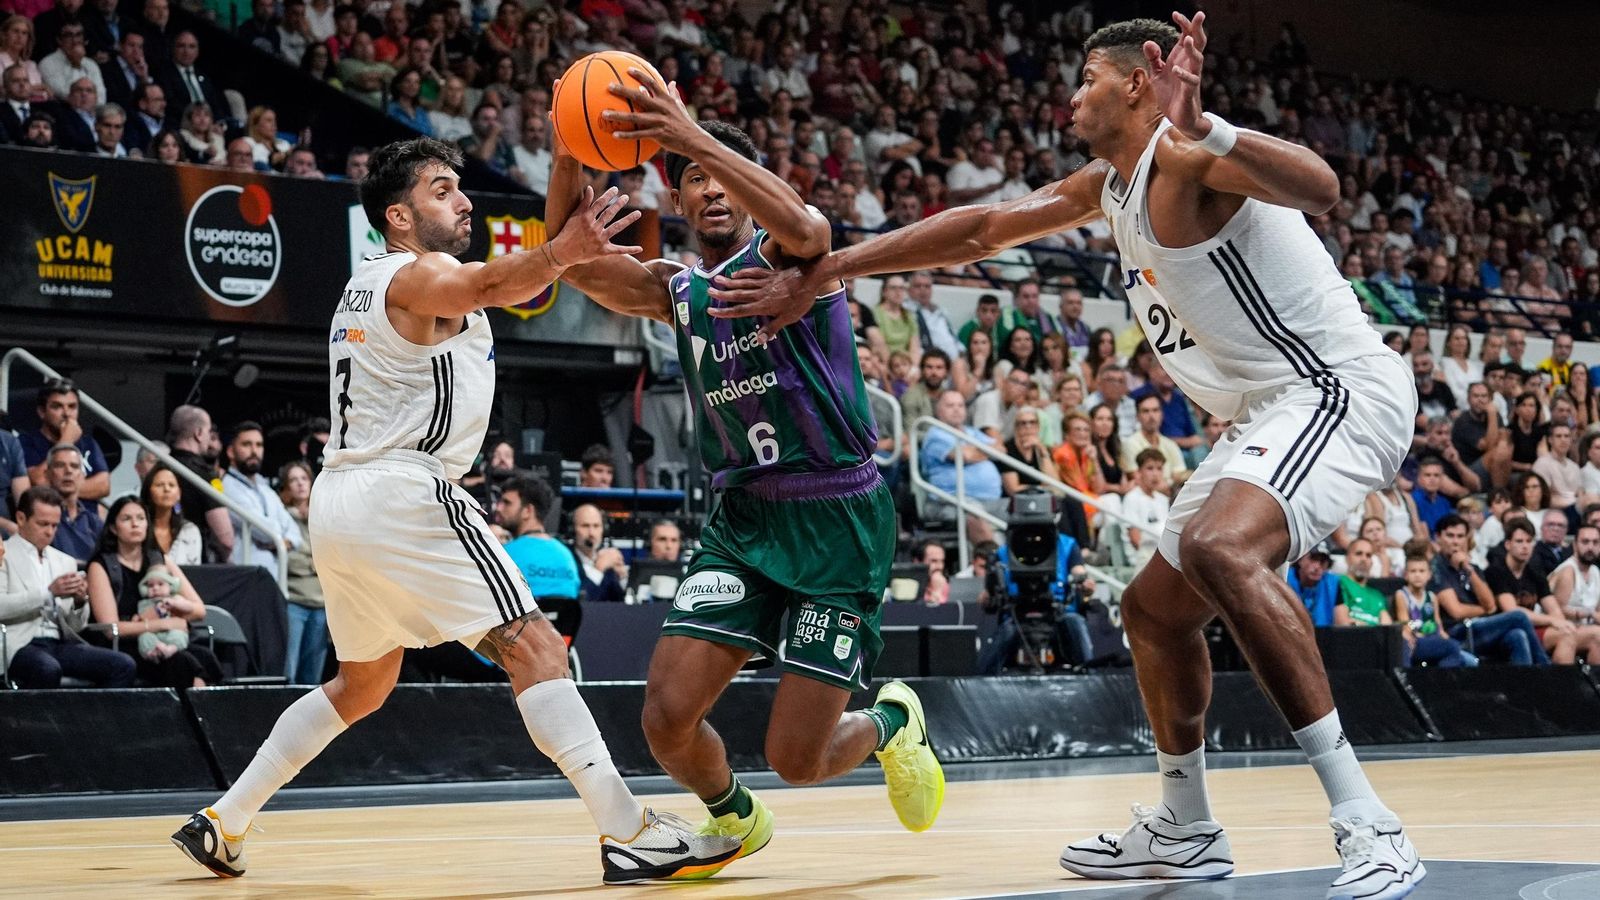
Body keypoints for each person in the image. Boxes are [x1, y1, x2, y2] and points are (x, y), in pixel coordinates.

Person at [707, 14, 1424, 894]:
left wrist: (1208, 125)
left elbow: (1320, 187)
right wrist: (827, 271)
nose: (1072, 94)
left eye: (1088, 77)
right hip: (1263, 413)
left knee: (1217, 546)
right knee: (1154, 612)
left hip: (1335, 387)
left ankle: (1367, 820)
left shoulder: (1188, 157)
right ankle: (1186, 826)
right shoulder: (1108, 183)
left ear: (1137, 81)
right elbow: (980, 229)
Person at [169, 138, 738, 884]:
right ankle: (628, 830)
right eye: (444, 190)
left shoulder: (366, 284)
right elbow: (488, 284)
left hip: (342, 500)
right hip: (405, 488)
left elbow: (494, 281)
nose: (464, 200)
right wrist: (557, 252)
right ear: (398, 217)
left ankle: (225, 820)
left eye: (460, 186)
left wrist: (564, 179)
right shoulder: (418, 274)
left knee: (362, 684)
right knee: (536, 646)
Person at [547, 74, 943, 865]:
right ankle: (733, 816)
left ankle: (895, 721)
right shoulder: (680, 290)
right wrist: (567, 146)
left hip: (838, 517)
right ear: (682, 204)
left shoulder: (795, 260)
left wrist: (691, 136)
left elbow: (808, 221)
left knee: (800, 758)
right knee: (665, 718)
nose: (710, 189)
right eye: (693, 181)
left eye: (723, 174)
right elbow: (576, 263)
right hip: (744, 520)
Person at [1, 486, 136, 689]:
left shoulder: (64, 561)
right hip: (17, 643)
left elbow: (75, 627)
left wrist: (80, 601)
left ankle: (95, 720)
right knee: (47, 668)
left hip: (58, 643)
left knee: (123, 664)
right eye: (43, 524)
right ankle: (43, 722)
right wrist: (48, 593)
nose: (49, 532)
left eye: (55, 526)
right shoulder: (4, 554)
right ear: (21, 518)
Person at [85, 495, 220, 688]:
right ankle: (190, 716)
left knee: (206, 657)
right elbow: (110, 629)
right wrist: (164, 623)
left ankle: (205, 714)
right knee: (179, 662)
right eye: (126, 519)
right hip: (127, 644)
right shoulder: (101, 565)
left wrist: (178, 611)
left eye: (141, 518)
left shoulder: (159, 560)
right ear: (113, 528)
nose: (135, 524)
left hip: (165, 636)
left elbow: (199, 610)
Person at [221, 421, 304, 583]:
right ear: (231, 451)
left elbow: (295, 534)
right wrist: (281, 538)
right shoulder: (227, 486)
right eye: (247, 444)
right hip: (245, 578)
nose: (254, 451)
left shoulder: (265, 488)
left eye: (259, 445)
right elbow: (266, 533)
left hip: (274, 578)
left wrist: (282, 539)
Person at [277, 461, 328, 685]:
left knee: (313, 676)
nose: (300, 484)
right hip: (294, 601)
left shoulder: (323, 515)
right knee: (290, 670)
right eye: (293, 480)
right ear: (286, 487)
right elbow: (288, 560)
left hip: (321, 603)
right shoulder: (282, 517)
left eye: (304, 478)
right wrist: (316, 562)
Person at [20, 379, 110, 501]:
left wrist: (58, 486)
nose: (67, 413)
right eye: (57, 406)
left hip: (85, 517)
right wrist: (66, 440)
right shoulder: (26, 442)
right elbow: (39, 482)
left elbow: (103, 486)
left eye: (72, 407)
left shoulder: (89, 443)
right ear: (42, 412)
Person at [165, 404, 234, 561]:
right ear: (199, 433)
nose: (209, 438)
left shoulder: (159, 467)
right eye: (209, 432)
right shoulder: (207, 474)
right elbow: (226, 539)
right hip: (196, 559)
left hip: (161, 556)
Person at [495, 475, 580, 599]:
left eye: (507, 503)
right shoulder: (566, 555)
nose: (498, 508)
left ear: (528, 511)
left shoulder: (504, 554)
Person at [1392, 554, 1476, 668]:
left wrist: (1447, 639)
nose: (1417, 575)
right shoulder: (1402, 595)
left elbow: (1438, 624)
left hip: (1434, 638)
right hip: (1417, 640)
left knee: (1471, 661)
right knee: (1452, 648)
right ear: (1406, 575)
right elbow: (1405, 622)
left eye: (1422, 571)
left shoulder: (1432, 597)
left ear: (1429, 575)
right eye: (1413, 571)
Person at [42, 443, 103, 563]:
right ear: (47, 474)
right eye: (60, 465)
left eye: (74, 466)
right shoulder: (39, 519)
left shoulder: (95, 523)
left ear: (82, 476)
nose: (68, 471)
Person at [141, 463, 202, 566]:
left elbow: (195, 570)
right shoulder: (140, 528)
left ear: (179, 494)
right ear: (148, 492)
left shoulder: (189, 531)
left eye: (172, 485)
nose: (166, 489)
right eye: (159, 485)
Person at [1120, 449, 1171, 569]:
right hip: (1142, 558)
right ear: (1139, 472)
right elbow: (1135, 539)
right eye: (1150, 468)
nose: (1155, 474)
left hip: (1162, 555)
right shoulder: (1131, 498)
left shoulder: (1163, 499)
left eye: (1159, 469)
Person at [568, 503, 625, 603]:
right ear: (572, 529)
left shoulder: (607, 558)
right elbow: (580, 602)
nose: (591, 533)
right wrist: (599, 569)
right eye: (585, 526)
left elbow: (620, 603)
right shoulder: (566, 559)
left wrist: (622, 579)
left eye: (596, 526)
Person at [1333, 539, 1394, 627]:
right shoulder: (1338, 583)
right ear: (1347, 558)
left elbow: (1387, 627)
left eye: (1368, 555)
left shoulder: (1377, 595)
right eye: (1358, 553)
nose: (1364, 559)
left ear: (1372, 563)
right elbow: (1343, 623)